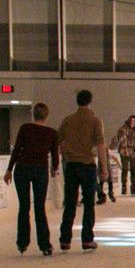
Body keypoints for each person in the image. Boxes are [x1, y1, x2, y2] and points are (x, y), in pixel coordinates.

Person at [4, 103, 58, 256]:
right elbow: (54, 155)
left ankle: (22, 243)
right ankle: (45, 245)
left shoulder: (25, 128)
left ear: (34, 114)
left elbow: (17, 150)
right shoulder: (52, 133)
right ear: (47, 115)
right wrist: (54, 169)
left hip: (22, 169)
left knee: (24, 206)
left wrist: (9, 169)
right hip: (40, 170)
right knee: (40, 208)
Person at [56, 89, 105, 250]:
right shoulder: (95, 121)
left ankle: (65, 239)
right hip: (87, 165)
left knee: (70, 203)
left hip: (71, 165)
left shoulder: (68, 120)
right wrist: (104, 168)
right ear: (90, 101)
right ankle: (87, 239)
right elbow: (100, 146)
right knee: (89, 203)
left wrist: (56, 161)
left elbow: (57, 141)